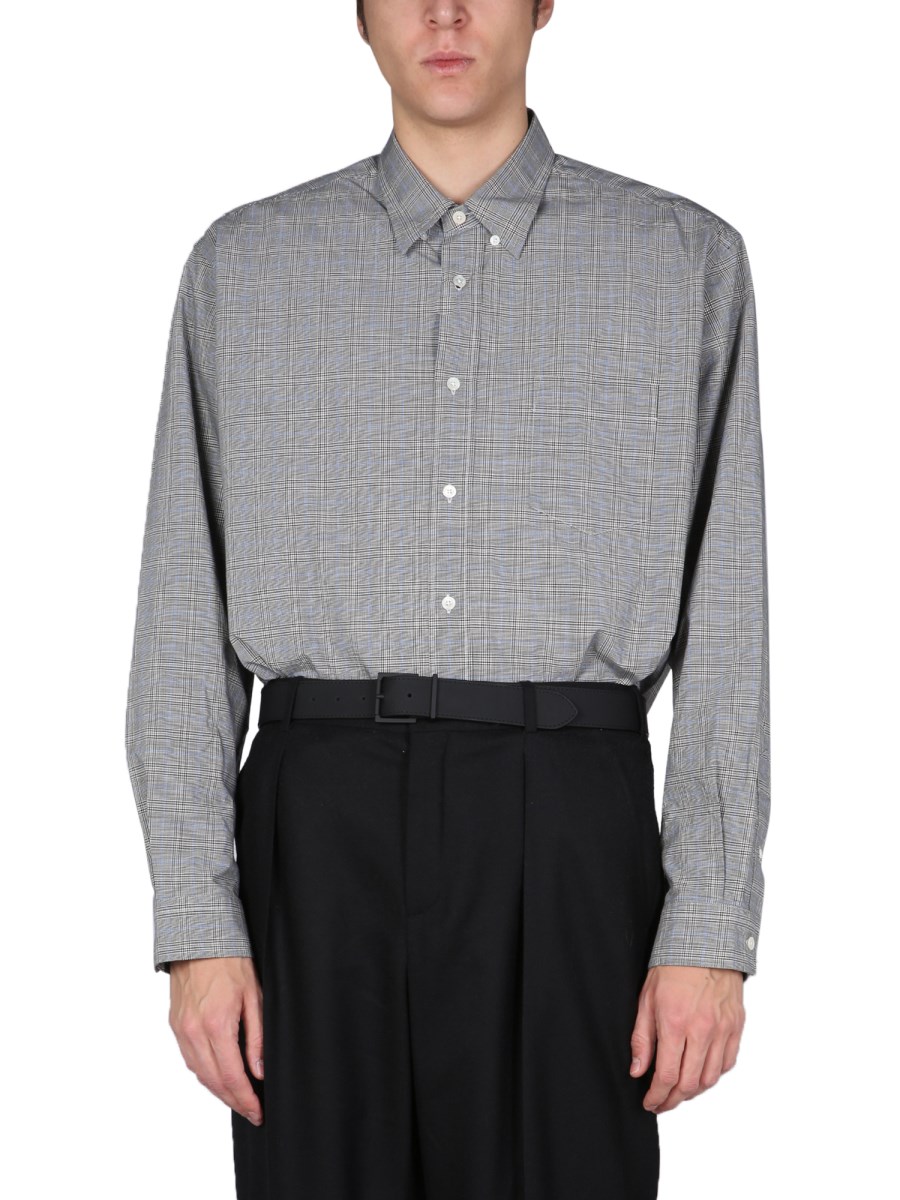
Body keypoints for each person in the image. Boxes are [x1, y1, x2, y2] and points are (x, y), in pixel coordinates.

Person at [124, 2, 770, 1197]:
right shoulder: (244, 266)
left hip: (573, 829)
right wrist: (197, 922)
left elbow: (729, 616)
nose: (446, 13)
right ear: (359, 14)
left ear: (544, 3)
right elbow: (180, 613)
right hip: (315, 837)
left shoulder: (681, 261)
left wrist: (709, 926)